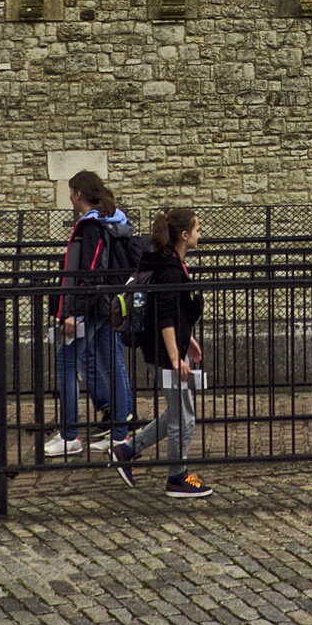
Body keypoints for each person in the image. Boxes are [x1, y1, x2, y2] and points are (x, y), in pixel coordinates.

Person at [112, 207, 209, 498]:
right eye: (197, 229)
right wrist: (175, 357)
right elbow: (165, 317)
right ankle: (176, 478)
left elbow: (172, 313)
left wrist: (187, 339)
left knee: (178, 413)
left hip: (165, 350)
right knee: (184, 417)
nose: (200, 234)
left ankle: (127, 450)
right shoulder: (169, 270)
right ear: (184, 235)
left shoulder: (169, 265)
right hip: (164, 354)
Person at [46, 171, 135, 457]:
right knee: (112, 363)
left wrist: (74, 313)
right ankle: (120, 434)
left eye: (71, 192)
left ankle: (69, 434)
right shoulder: (114, 221)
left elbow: (88, 272)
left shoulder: (91, 227)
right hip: (109, 303)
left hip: (92, 307)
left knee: (65, 359)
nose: (70, 197)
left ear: (79, 194)